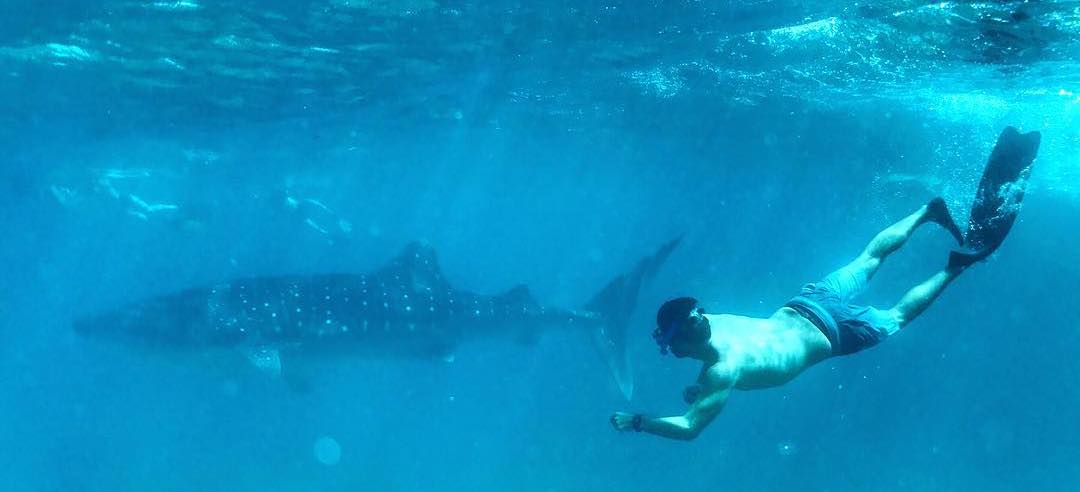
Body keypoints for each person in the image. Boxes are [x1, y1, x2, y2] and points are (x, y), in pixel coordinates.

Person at [610, 198, 969, 440]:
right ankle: (927, 212)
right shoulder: (716, 330)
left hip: (834, 333)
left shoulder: (721, 368)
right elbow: (720, 352)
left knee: (897, 317)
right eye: (693, 318)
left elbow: (690, 428)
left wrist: (640, 421)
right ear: (685, 336)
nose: (700, 316)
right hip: (804, 303)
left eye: (697, 312)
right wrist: (700, 385)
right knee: (868, 259)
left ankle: (955, 269)